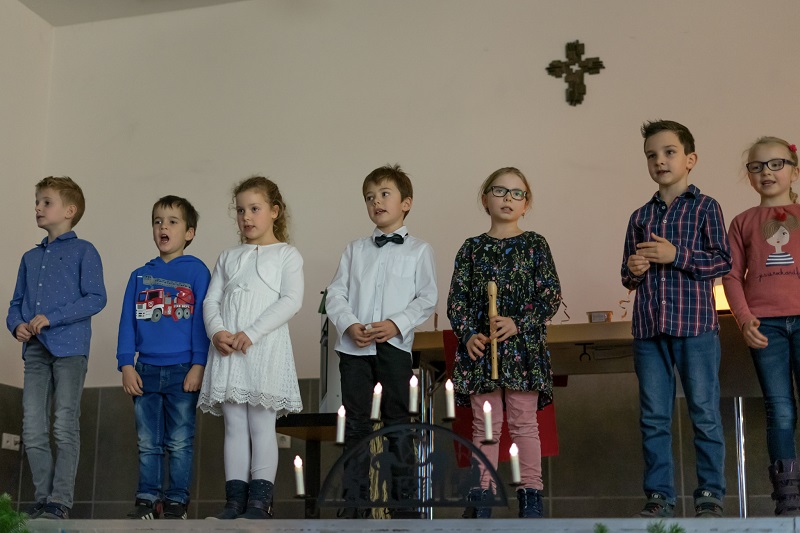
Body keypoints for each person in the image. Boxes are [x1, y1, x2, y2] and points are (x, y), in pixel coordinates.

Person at [621, 120, 732, 518]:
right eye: (652, 155)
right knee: (653, 416)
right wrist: (635, 268)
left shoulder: (706, 207)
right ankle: (659, 496)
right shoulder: (639, 216)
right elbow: (627, 276)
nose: (660, 160)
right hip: (649, 331)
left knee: (703, 411)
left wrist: (676, 256)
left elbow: (722, 261)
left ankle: (710, 494)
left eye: (668, 152)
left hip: (697, 329)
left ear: (690, 159)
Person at [447, 167, 561, 519]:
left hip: (523, 350)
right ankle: (483, 496)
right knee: (485, 426)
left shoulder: (535, 245)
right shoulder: (471, 248)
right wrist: (468, 334)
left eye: (517, 193)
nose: (508, 198)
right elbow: (457, 301)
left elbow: (550, 297)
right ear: (485, 198)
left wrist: (517, 322)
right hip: (483, 351)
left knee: (525, 423)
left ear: (526, 204)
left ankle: (531, 497)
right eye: (500, 191)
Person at [326, 164, 437, 518]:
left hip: (394, 348)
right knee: (356, 424)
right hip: (354, 349)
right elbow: (336, 295)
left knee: (397, 424)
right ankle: (354, 504)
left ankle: (403, 506)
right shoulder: (354, 250)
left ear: (406, 202)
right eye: (370, 197)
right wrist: (349, 324)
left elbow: (427, 297)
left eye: (384, 194)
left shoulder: (419, 250)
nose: (376, 202)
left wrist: (395, 324)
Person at [197, 176, 304, 519]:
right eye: (241, 210)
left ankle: (259, 503)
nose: (246, 217)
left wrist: (252, 332)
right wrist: (217, 332)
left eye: (255, 209)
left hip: (263, 349)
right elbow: (211, 301)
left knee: (261, 425)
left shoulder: (287, 254)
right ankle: (234, 502)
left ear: (274, 212)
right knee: (234, 427)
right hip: (228, 351)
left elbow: (291, 300)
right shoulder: (228, 257)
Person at [6, 176, 107, 520]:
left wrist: (53, 317)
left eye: (46, 202)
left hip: (70, 350)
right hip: (35, 350)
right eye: (37, 201)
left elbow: (96, 298)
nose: (38, 207)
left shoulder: (84, 251)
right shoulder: (29, 258)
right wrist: (16, 324)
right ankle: (43, 497)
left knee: (65, 424)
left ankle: (60, 501)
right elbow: (16, 303)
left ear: (69, 210)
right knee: (32, 426)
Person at [116, 195, 211, 520]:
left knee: (180, 441)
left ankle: (176, 504)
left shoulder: (197, 271)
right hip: (145, 370)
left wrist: (199, 364)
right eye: (158, 221)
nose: (163, 227)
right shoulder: (140, 275)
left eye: (172, 221)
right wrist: (126, 364)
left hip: (183, 368)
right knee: (148, 442)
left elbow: (202, 321)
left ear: (189, 232)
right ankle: (147, 500)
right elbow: (128, 322)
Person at [722, 137, 800, 515]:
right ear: (749, 176)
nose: (767, 172)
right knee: (779, 408)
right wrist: (744, 317)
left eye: (776, 164)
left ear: (794, 170)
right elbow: (732, 276)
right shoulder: (742, 223)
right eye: (757, 166)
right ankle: (788, 499)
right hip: (765, 325)